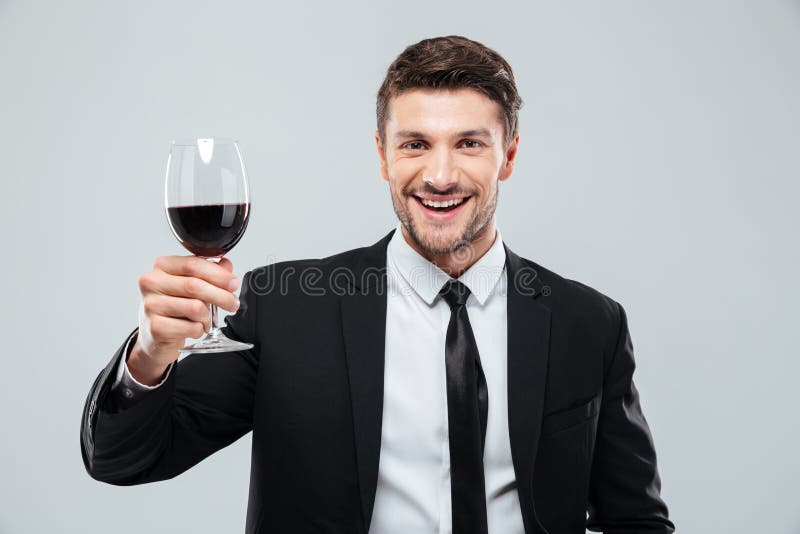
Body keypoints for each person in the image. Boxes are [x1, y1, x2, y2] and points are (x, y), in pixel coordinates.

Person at [80, 35, 675, 534]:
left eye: (469, 144)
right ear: (383, 156)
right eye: (415, 144)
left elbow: (637, 520)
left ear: (509, 155)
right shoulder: (282, 308)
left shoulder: (588, 323)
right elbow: (122, 458)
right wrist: (150, 357)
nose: (440, 175)